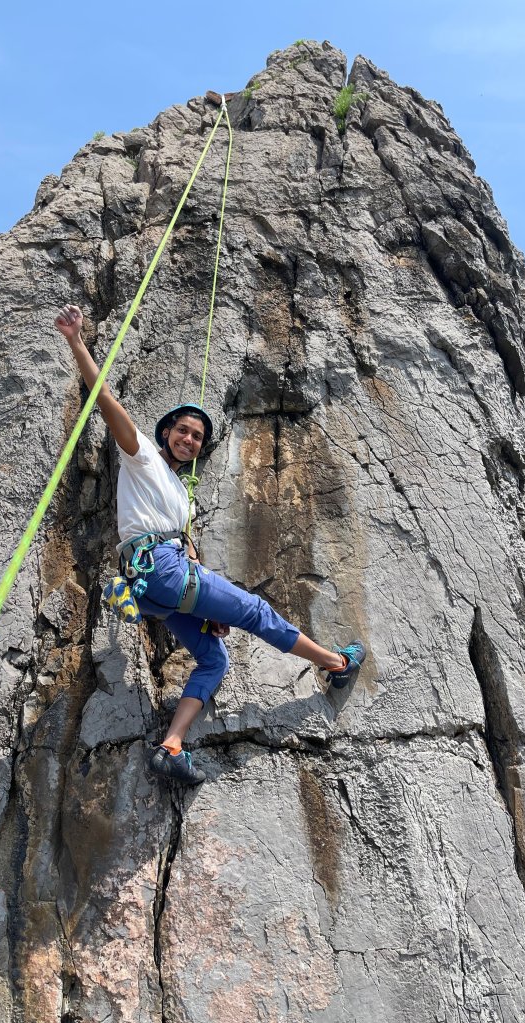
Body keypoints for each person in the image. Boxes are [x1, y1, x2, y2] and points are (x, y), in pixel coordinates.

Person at [55, 305, 366, 784]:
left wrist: (206, 609)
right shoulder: (142, 458)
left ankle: (172, 746)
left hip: (155, 584)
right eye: (183, 431)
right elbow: (106, 401)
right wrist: (78, 342)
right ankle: (336, 663)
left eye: (198, 437)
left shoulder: (180, 494)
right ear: (165, 433)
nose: (190, 439)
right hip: (159, 569)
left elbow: (187, 546)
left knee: (214, 657)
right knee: (257, 613)